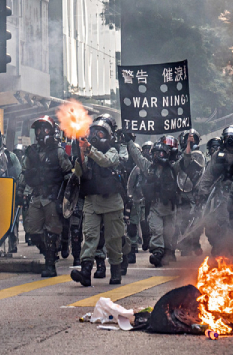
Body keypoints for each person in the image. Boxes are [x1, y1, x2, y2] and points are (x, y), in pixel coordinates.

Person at [70, 119, 125, 286]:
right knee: (90, 236)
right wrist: (80, 154)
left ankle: (115, 270)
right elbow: (80, 172)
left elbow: (106, 161)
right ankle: (86, 271)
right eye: (92, 132)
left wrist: (89, 150)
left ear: (108, 136)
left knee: (113, 239)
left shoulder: (113, 151)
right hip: (92, 201)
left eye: (99, 133)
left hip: (111, 202)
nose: (94, 136)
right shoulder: (89, 153)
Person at [126, 134, 191, 267]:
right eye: (155, 153)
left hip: (170, 209)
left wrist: (188, 144)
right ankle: (157, 252)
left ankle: (168, 251)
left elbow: (185, 159)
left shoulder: (173, 168)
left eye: (161, 153)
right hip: (155, 207)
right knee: (157, 231)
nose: (158, 156)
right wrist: (129, 142)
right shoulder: (149, 168)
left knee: (170, 232)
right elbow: (137, 157)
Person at [22, 116, 72, 277]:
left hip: (52, 196)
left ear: (51, 131)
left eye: (45, 129)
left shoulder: (58, 152)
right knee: (32, 231)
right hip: (36, 196)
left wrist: (66, 199)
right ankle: (49, 254)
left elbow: (68, 175)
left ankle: (50, 265)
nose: (41, 132)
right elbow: (25, 173)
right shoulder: (31, 152)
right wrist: (22, 192)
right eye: (38, 129)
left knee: (52, 231)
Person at [196, 125, 233, 257]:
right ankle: (221, 247)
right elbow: (208, 176)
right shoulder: (217, 156)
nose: (230, 139)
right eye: (228, 137)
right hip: (221, 194)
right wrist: (203, 193)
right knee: (220, 222)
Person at [176, 129, 206, 256]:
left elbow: (199, 169)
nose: (189, 141)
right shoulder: (179, 156)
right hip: (181, 193)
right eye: (187, 139)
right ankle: (185, 246)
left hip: (196, 192)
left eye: (193, 139)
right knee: (182, 220)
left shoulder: (199, 155)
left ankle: (195, 242)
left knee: (197, 221)